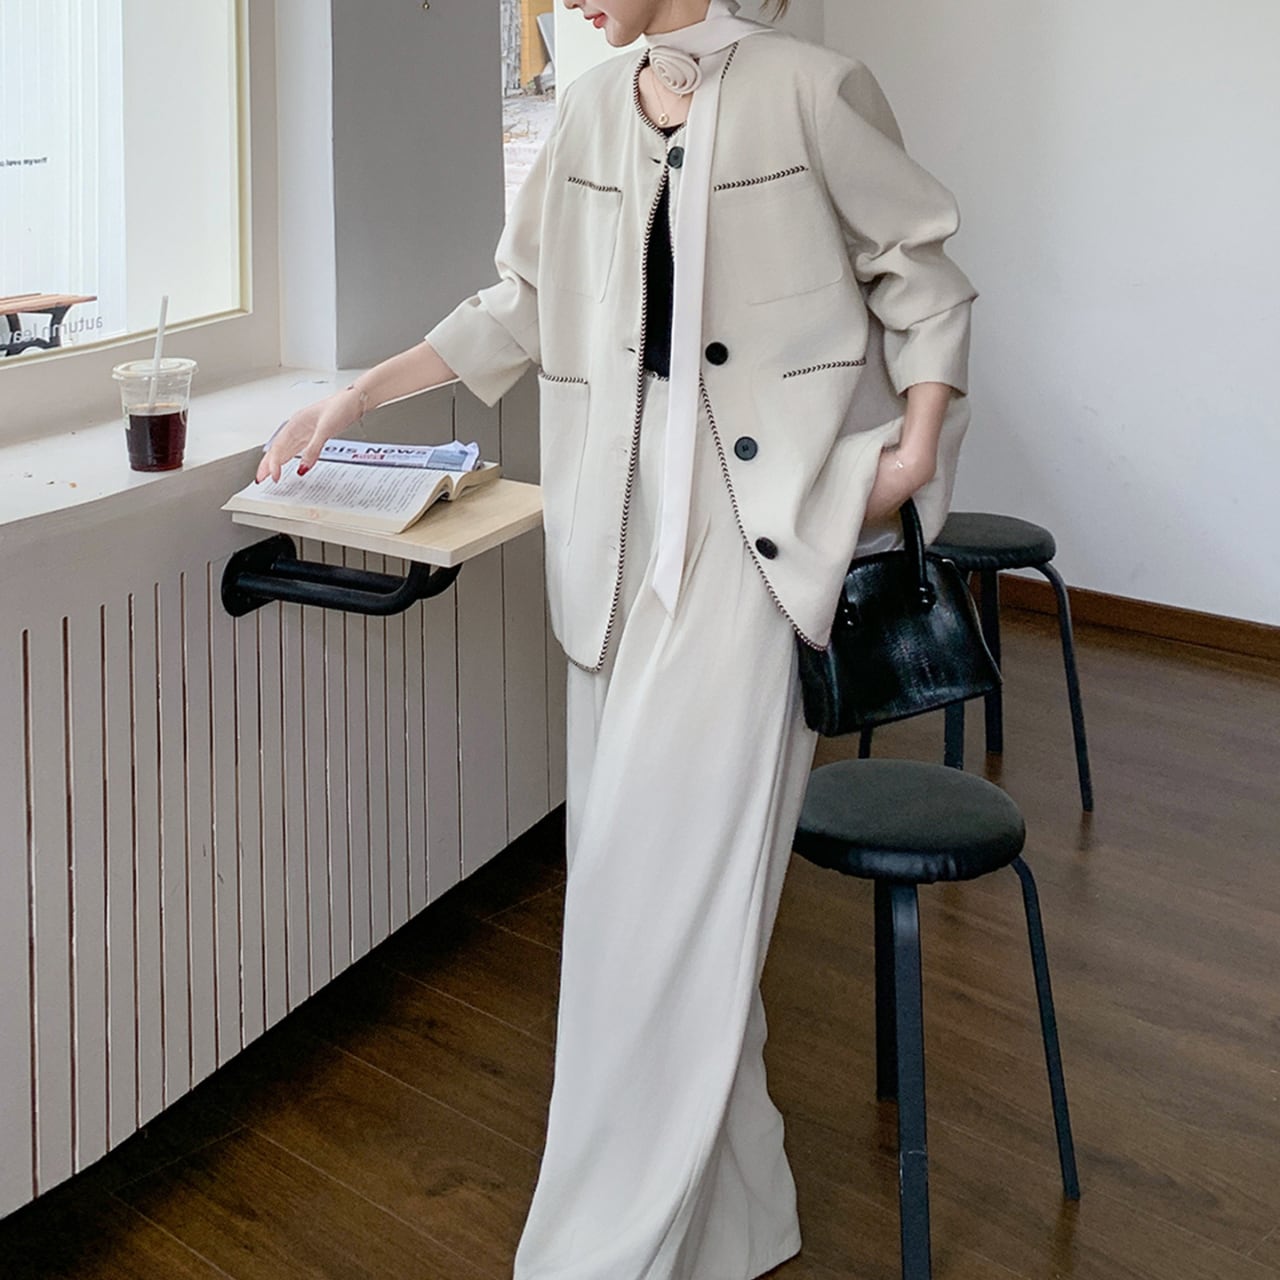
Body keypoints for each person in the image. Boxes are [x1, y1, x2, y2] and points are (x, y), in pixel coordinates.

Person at [260, 2, 976, 1275]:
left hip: (748, 542)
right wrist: (356, 394)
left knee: (660, 908)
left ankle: (601, 1252)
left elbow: (918, 273)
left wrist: (915, 452)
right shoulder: (593, 107)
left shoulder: (811, 90)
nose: (563, 4)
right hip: (610, 546)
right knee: (628, 896)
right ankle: (737, 1214)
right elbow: (522, 304)